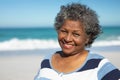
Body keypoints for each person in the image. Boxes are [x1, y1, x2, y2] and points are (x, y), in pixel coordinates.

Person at [34, 3, 120, 80]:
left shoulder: (98, 65)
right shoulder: (47, 60)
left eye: (76, 34)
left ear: (88, 38)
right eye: (64, 31)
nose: (67, 39)